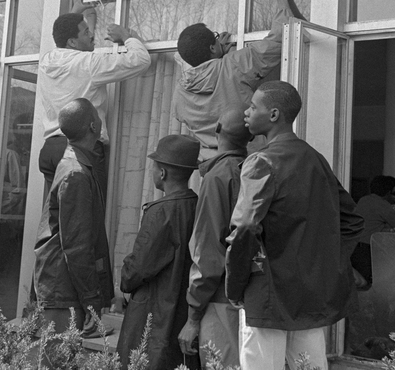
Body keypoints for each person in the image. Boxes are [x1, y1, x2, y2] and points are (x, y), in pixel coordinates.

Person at [226, 81, 363, 370]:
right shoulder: (315, 159)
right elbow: (352, 221)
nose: (246, 113)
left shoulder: (261, 161)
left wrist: (235, 285)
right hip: (308, 294)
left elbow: (244, 229)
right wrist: (324, 264)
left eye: (253, 106)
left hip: (267, 292)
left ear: (274, 114)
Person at [174, 0, 304, 160]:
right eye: (216, 39)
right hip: (249, 163)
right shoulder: (233, 65)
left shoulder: (180, 91)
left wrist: (220, 57)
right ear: (212, 47)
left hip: (212, 164)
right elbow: (280, 38)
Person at [38, 6, 150, 196]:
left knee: (57, 218)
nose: (92, 36)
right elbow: (141, 60)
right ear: (72, 42)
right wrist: (125, 36)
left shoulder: (47, 60)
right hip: (80, 151)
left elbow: (63, 37)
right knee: (87, 216)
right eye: (86, 32)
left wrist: (76, 11)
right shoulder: (89, 63)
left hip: (51, 150)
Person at [117, 134, 201, 370]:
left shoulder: (161, 212)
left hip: (152, 315)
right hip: (183, 312)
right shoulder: (198, 205)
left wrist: (123, 279)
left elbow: (136, 270)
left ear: (162, 173)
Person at [178, 109, 251, 367]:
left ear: (217, 129)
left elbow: (207, 253)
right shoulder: (254, 170)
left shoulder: (218, 177)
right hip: (250, 299)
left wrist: (193, 317)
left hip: (220, 299)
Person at [34, 98, 113, 334]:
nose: (101, 122)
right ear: (92, 126)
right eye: (98, 117)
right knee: (57, 360)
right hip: (63, 289)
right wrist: (91, 299)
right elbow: (76, 245)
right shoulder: (75, 173)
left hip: (65, 286)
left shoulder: (77, 164)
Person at [350, 175, 395, 288]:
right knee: (371, 284)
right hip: (368, 250)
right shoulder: (384, 206)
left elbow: (371, 223)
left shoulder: (364, 200)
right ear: (387, 194)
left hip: (354, 247)